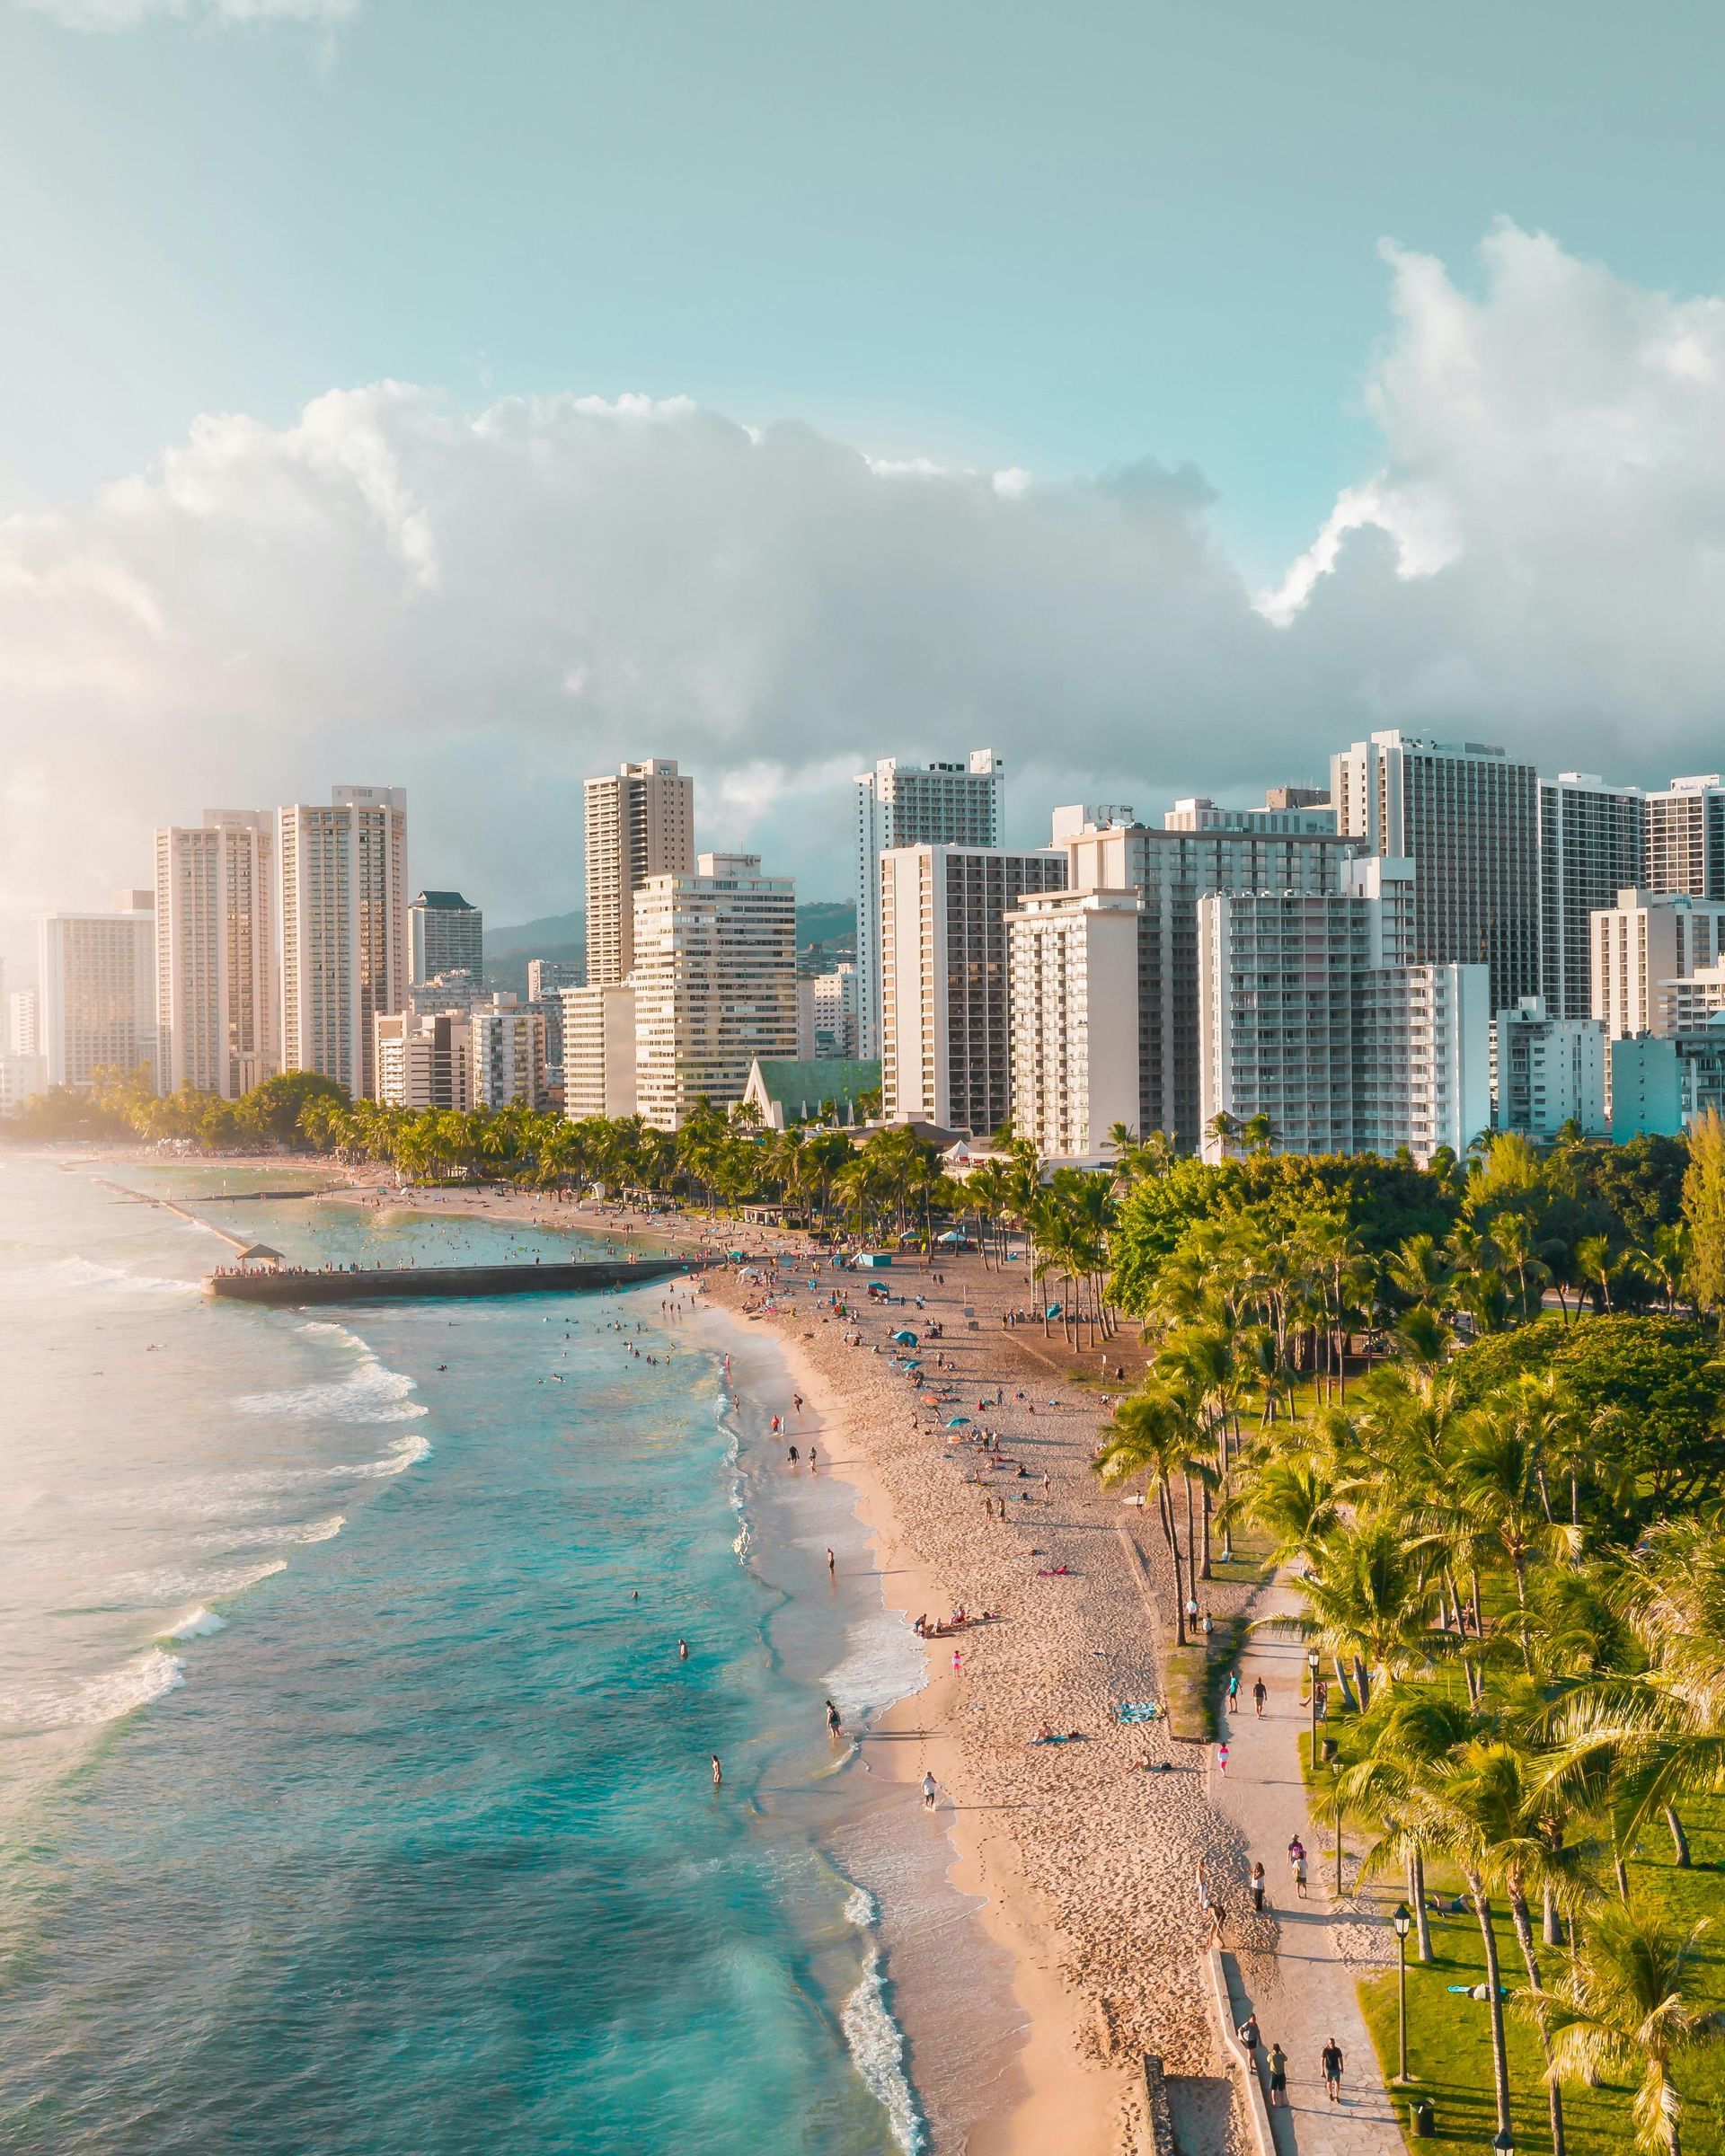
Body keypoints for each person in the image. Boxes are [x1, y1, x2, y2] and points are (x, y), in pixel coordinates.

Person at [1321, 2037, 1344, 2103]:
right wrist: (1322, 2070)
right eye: (1330, 2043)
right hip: (1329, 2069)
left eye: (1333, 2043)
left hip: (1336, 2069)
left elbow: (1341, 2058)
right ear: (1328, 2044)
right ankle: (1330, 2094)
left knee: (1337, 2083)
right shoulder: (1325, 2050)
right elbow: (1322, 2060)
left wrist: (1342, 2067)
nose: (1332, 2045)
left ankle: (1336, 2096)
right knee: (1329, 2082)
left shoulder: (1337, 2050)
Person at [1267, 2043, 1287, 2107]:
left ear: (1273, 2049)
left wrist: (1272, 2053)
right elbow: (1286, 2058)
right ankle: (1282, 2103)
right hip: (1281, 2074)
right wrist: (1281, 2052)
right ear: (1279, 2049)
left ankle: (1274, 2103)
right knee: (1281, 2089)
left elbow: (1267, 2060)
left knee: (1274, 2089)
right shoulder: (1281, 2056)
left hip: (1274, 2074)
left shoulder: (1271, 2056)